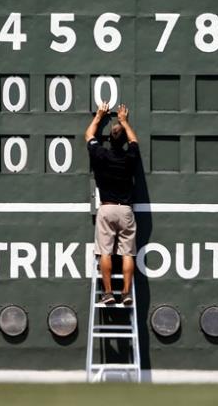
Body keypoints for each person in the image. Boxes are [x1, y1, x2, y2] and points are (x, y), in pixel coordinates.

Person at [85, 103, 140, 306]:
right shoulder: (130, 157)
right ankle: (126, 293)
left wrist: (99, 116)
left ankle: (108, 293)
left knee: (105, 252)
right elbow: (134, 141)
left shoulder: (101, 155)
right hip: (125, 210)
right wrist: (124, 121)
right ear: (124, 141)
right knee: (128, 253)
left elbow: (89, 135)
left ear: (109, 139)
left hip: (107, 208)